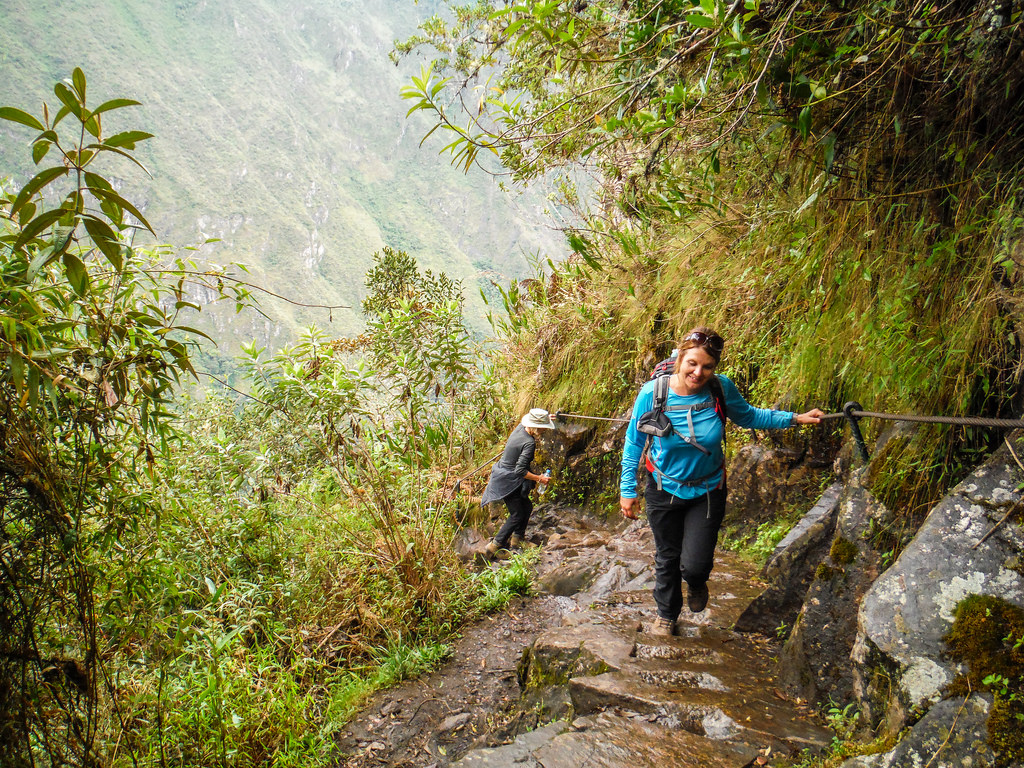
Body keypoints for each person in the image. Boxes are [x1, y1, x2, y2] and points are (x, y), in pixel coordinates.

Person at [619, 327, 824, 636]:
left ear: (715, 368)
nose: (698, 372)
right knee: (667, 557)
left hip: (707, 489)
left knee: (695, 565)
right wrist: (627, 489)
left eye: (707, 366)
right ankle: (666, 615)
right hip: (663, 487)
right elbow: (634, 442)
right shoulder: (653, 393)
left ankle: (698, 583)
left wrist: (794, 418)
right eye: (692, 363)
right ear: (680, 359)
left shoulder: (720, 389)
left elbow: (750, 416)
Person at [482, 408, 555, 556]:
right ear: (536, 427)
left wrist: (547, 417)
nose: (544, 431)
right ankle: (494, 546)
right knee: (517, 514)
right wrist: (539, 478)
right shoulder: (529, 443)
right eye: (544, 428)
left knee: (526, 506)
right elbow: (520, 470)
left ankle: (517, 539)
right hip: (507, 481)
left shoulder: (520, 428)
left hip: (505, 476)